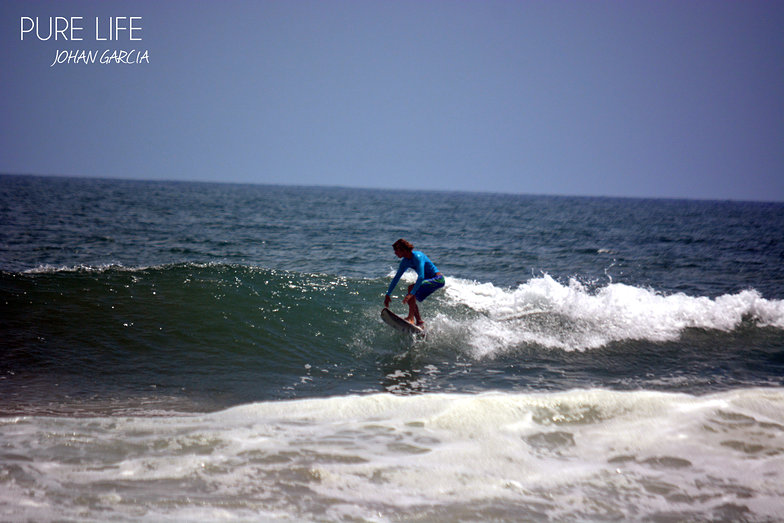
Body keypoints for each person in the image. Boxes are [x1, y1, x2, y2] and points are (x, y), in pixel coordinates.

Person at [383, 238, 445, 327]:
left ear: (403, 249)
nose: (395, 253)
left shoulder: (418, 257)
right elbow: (396, 278)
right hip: (427, 281)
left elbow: (421, 276)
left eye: (396, 250)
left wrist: (411, 293)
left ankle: (411, 318)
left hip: (438, 279)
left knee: (411, 290)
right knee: (410, 298)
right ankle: (419, 322)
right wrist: (388, 294)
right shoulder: (405, 262)